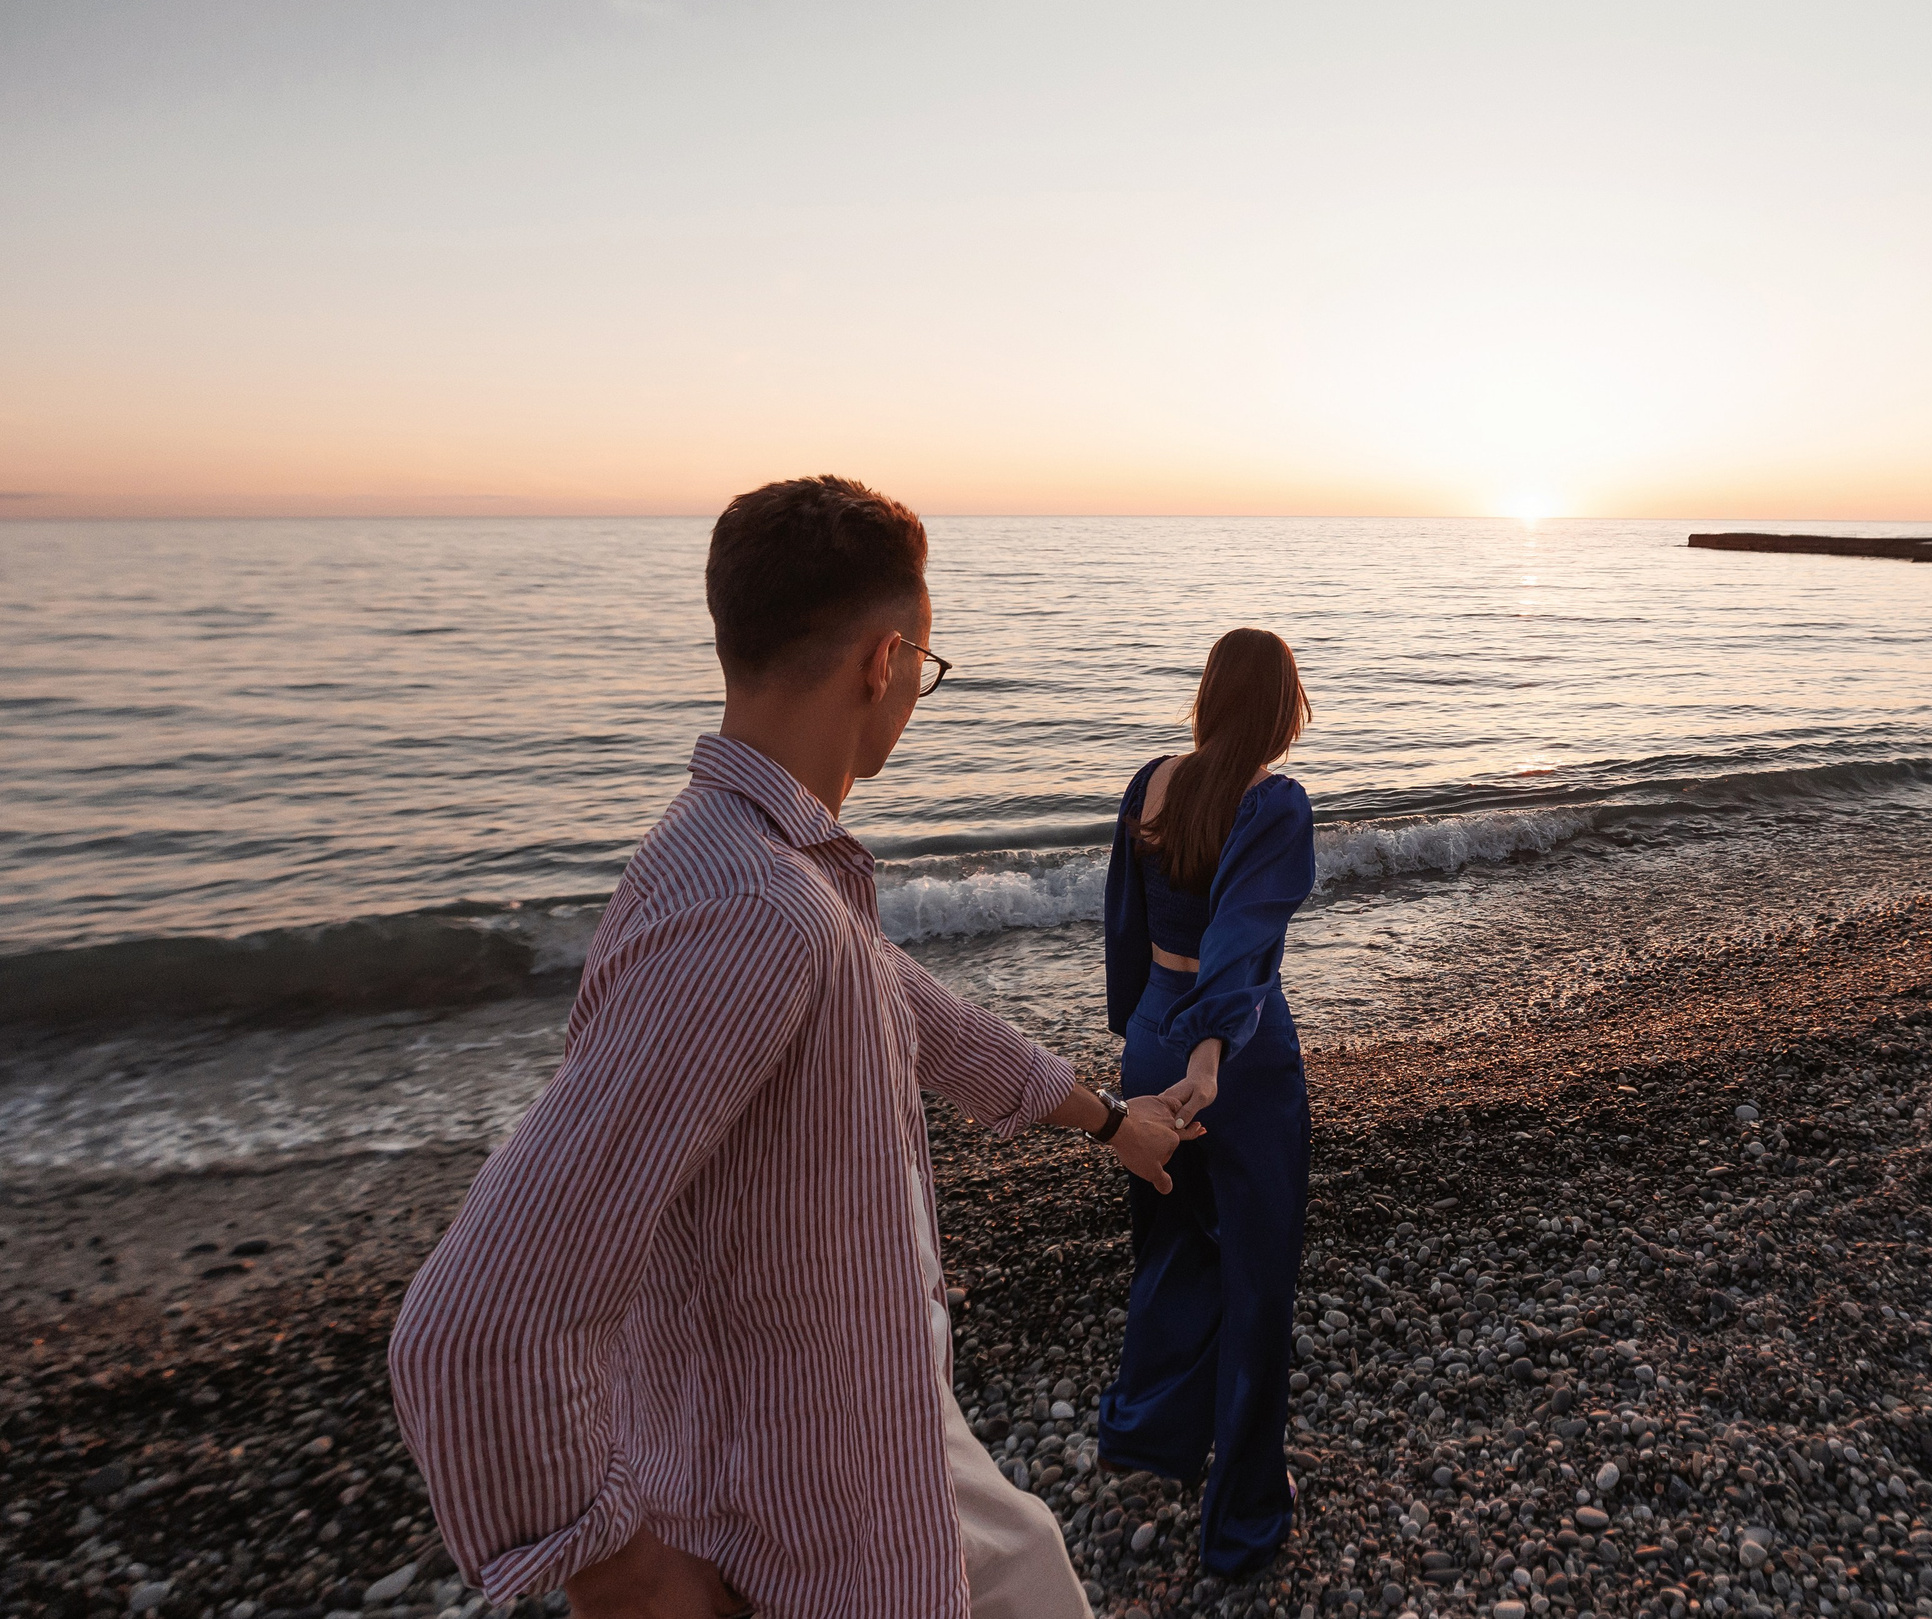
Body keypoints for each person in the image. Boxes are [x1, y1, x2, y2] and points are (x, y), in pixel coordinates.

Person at [387, 476, 1199, 1619]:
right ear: (885, 660)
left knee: (1035, 1578)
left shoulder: (760, 867)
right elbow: (478, 1326)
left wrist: (1115, 1124)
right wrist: (617, 1572)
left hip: (880, 1428)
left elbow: (925, 1019)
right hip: (794, 1518)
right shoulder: (755, 912)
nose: (917, 688)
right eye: (926, 662)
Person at [1096, 628, 1318, 1579]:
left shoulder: (1152, 781)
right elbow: (1241, 933)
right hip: (1237, 1055)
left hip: (1154, 1030)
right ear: (1280, 707)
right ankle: (1243, 1521)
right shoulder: (1274, 802)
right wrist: (1214, 1051)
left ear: (1207, 695)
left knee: (1176, 1238)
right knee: (1258, 1277)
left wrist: (1141, 1032)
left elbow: (1124, 923)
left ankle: (1151, 1434)